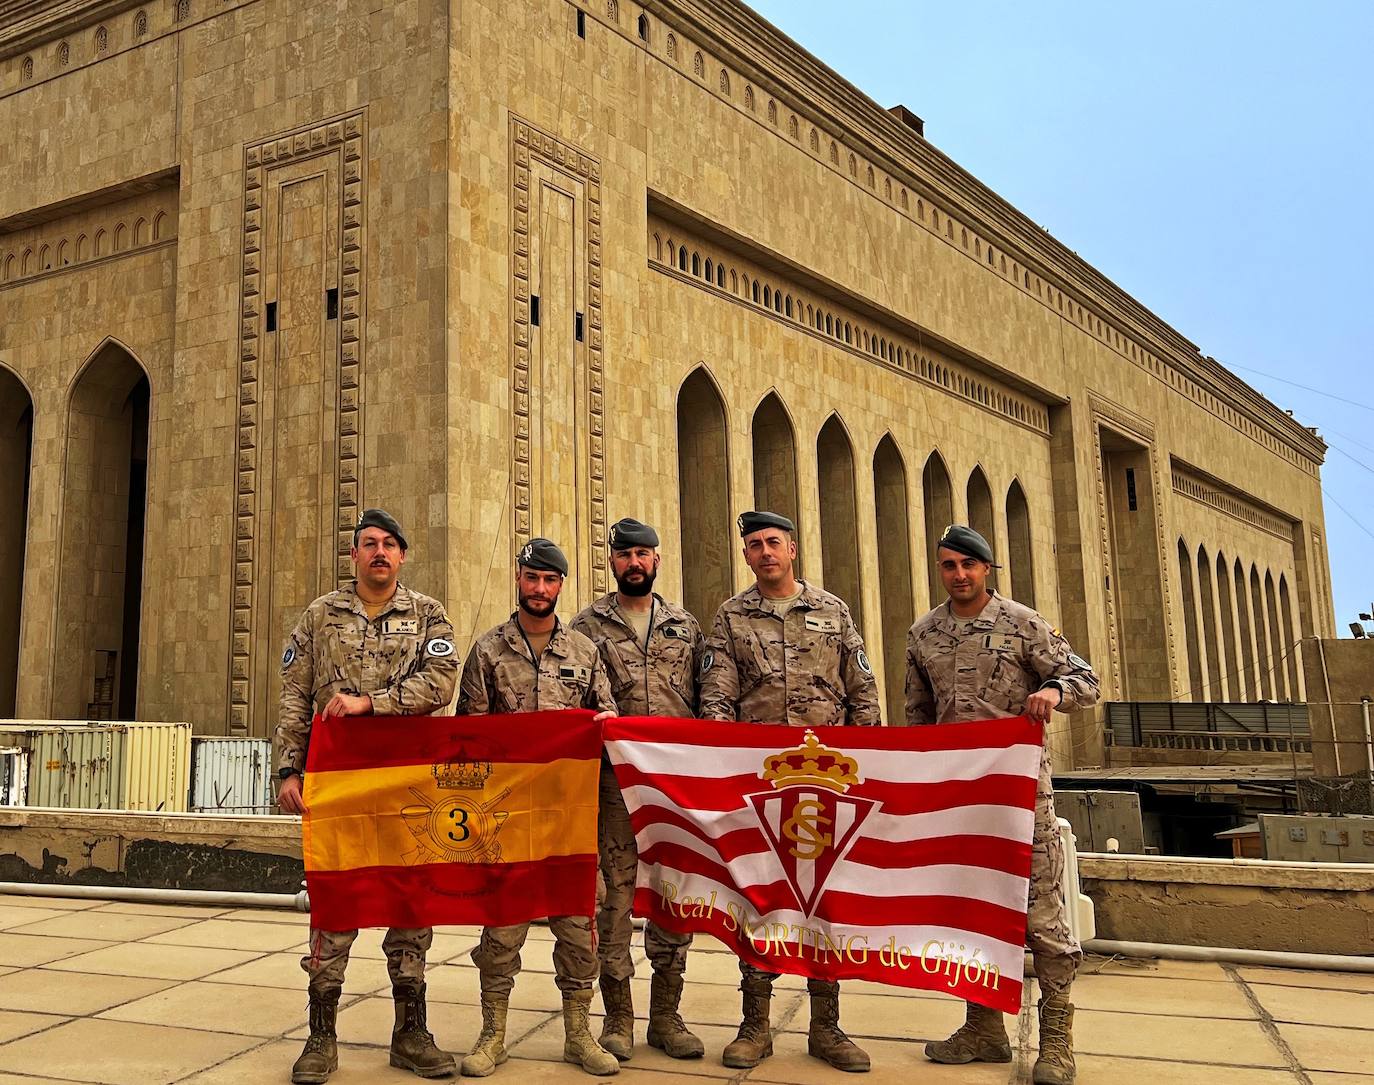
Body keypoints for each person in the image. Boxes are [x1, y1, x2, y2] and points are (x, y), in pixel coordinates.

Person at [905, 524, 1100, 1085]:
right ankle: (982, 1027)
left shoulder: (1023, 623)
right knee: (969, 913)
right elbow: (918, 718)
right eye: (948, 566)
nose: (959, 575)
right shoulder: (924, 634)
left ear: (986, 568)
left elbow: (1084, 677)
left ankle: (1057, 1040)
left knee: (1041, 913)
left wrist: (1054, 691)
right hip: (958, 800)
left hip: (1019, 797)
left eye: (968, 565)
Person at [277, 508, 459, 1083]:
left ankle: (410, 1032)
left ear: (403, 556)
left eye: (389, 544)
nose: (379, 552)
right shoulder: (320, 615)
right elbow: (294, 695)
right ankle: (320, 1036)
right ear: (354, 555)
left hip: (408, 782)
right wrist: (288, 769)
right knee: (336, 899)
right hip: (339, 783)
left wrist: (369, 704)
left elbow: (441, 683)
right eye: (368, 544)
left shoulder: (428, 614)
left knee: (411, 902)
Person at [699, 510, 879, 1074]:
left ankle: (827, 1026)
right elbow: (717, 698)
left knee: (826, 900)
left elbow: (861, 689)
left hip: (828, 782)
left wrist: (869, 761)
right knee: (759, 897)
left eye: (772, 542)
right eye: (753, 546)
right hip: (761, 782)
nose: (764, 552)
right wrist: (722, 767)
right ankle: (755, 1024)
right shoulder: (731, 617)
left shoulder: (832, 610)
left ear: (793, 549)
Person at [455, 537, 620, 1078]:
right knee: (500, 932)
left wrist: (596, 730)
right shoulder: (488, 651)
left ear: (560, 586)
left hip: (570, 819)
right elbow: (470, 735)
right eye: (532, 579)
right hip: (507, 821)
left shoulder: (584, 652)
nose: (540, 589)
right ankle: (492, 1034)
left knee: (579, 929)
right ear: (519, 580)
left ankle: (579, 1033)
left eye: (550, 581)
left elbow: (608, 725)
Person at [571, 518, 705, 1064]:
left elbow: (707, 700)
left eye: (642, 554)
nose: (634, 562)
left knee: (674, 893)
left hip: (673, 787)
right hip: (613, 786)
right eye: (624, 553)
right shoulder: (585, 627)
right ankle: (619, 1017)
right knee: (616, 901)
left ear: (656, 560)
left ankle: (667, 1017)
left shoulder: (686, 627)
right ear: (612, 561)